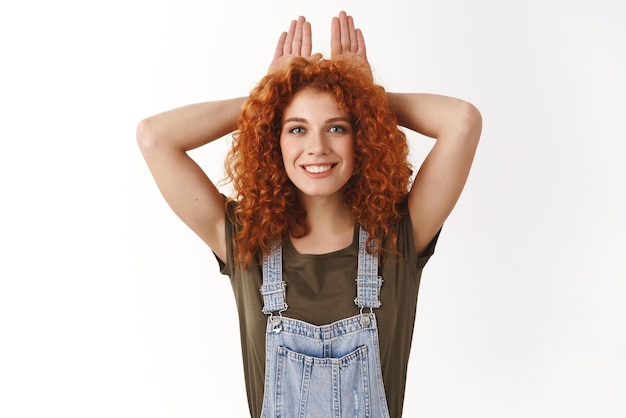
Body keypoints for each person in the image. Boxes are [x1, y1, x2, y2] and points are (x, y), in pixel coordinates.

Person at [137, 11, 481, 418]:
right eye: (297, 128)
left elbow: (462, 122)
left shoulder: (399, 236)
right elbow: (155, 137)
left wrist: (363, 95)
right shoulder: (246, 242)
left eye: (336, 127)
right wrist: (269, 95)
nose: (316, 146)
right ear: (273, 138)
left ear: (363, 136)